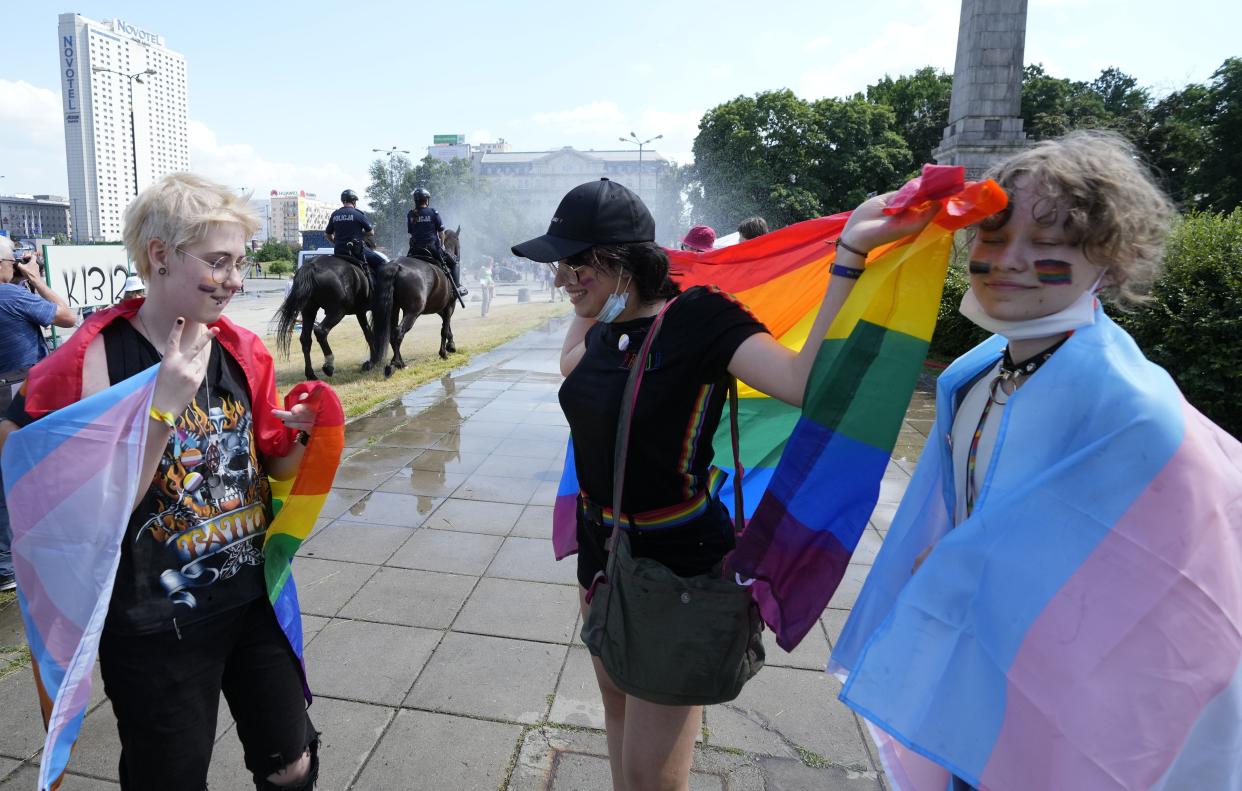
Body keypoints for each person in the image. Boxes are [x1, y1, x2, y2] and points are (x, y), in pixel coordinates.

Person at [831, 131, 1242, 790]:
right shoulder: (973, 373)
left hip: (1070, 715)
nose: (1011, 261)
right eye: (992, 239)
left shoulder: (1130, 409)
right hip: (980, 685)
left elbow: (1167, 586)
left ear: (1111, 261)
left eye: (1048, 246)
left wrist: (970, 572)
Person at [511, 176, 938, 790]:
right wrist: (591, 306)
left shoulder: (700, 318)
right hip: (603, 556)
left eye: (577, 264)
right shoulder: (602, 333)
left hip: (678, 564)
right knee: (616, 709)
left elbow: (800, 383)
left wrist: (849, 253)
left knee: (648, 779)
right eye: (561, 265)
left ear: (624, 262)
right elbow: (570, 369)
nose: (562, 278)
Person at [0, 173, 323, 790]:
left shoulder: (243, 350)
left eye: (239, 263)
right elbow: (77, 513)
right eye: (218, 262)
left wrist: (305, 435)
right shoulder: (90, 362)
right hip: (153, 624)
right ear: (159, 255)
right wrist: (163, 407)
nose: (234, 280)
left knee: (292, 763)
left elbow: (270, 466)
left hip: (253, 597)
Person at [0, 239, 77, 591]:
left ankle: (5, 560)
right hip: (18, 390)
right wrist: (37, 280)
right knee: (33, 468)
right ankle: (22, 556)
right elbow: (67, 315)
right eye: (12, 259)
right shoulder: (11, 296)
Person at [407, 187, 468, 297]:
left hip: (414, 249)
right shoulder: (433, 212)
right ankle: (457, 288)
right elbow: (441, 233)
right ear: (426, 200)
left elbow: (411, 232)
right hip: (432, 248)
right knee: (454, 263)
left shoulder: (410, 214)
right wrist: (441, 245)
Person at [325, 188, 385, 288]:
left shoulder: (335, 214)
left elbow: (327, 235)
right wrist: (360, 233)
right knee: (382, 263)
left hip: (339, 251)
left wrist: (336, 242)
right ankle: (379, 290)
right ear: (353, 201)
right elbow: (371, 232)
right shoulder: (358, 214)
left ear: (343, 201)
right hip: (357, 252)